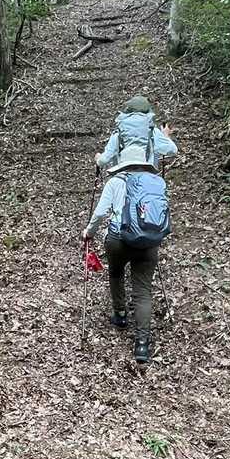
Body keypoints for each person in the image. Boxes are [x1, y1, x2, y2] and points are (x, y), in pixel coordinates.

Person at [81, 142, 172, 364]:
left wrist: (88, 232)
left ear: (123, 163)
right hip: (148, 242)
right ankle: (142, 345)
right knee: (143, 291)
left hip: (118, 240)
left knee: (116, 272)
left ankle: (120, 315)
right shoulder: (156, 182)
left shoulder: (115, 182)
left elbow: (100, 213)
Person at [96, 94, 177, 173]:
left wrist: (98, 159)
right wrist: (166, 135)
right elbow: (172, 150)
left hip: (123, 177)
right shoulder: (152, 131)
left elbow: (104, 160)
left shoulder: (119, 131)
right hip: (146, 176)